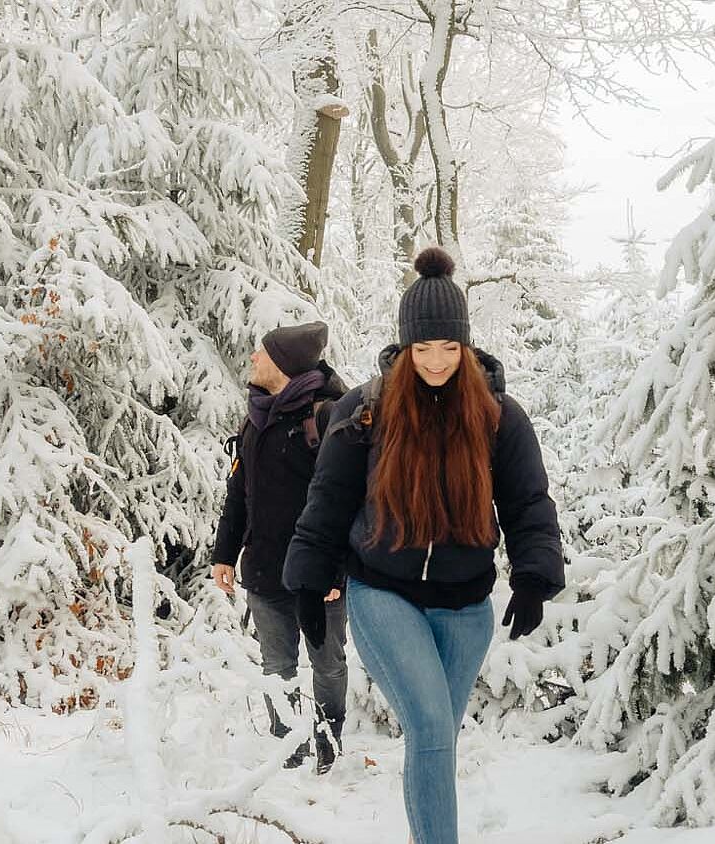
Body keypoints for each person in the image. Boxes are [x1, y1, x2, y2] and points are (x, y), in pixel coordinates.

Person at [283, 247, 565, 843]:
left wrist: (534, 575)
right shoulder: (367, 411)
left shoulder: (497, 416)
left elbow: (527, 502)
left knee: (435, 742)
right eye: (422, 349)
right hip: (384, 592)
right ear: (405, 348)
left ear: (464, 347)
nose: (435, 362)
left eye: (448, 348)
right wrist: (310, 580)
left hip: (466, 605)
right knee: (434, 729)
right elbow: (329, 498)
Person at [211, 320, 349, 773]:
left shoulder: (327, 417)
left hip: (318, 577)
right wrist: (224, 554)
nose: (252, 358)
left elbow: (348, 500)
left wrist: (336, 571)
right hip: (266, 570)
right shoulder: (255, 420)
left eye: (261, 353)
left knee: (327, 662)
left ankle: (329, 741)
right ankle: (287, 749)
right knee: (277, 666)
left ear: (283, 365)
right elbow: (239, 493)